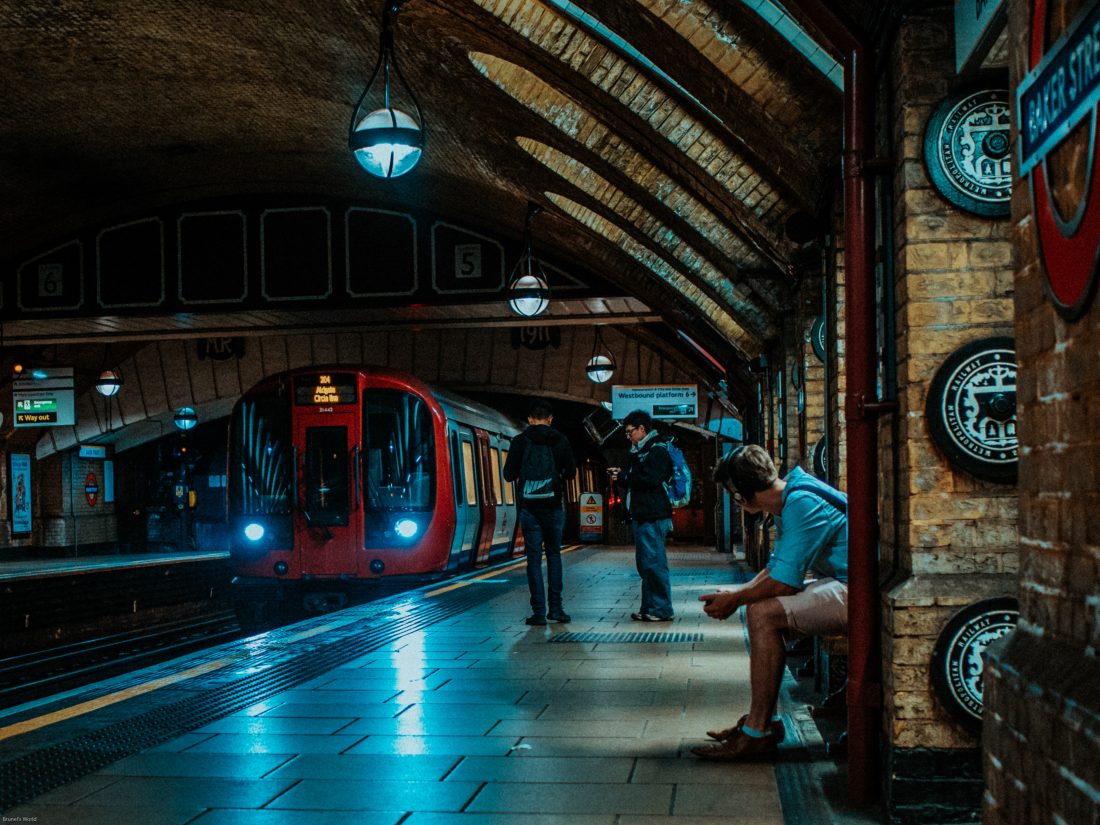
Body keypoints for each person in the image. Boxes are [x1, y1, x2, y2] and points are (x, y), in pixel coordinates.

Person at [693, 443, 848, 761]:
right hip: (844, 581)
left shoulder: (800, 503)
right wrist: (735, 595)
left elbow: (783, 583)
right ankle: (763, 722)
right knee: (758, 607)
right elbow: (776, 569)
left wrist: (735, 599)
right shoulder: (791, 496)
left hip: (858, 589)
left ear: (739, 493)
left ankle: (757, 732)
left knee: (763, 614)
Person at [503, 399, 577, 626]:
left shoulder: (520, 441)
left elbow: (508, 474)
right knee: (554, 555)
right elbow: (572, 473)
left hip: (529, 509)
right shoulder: (560, 440)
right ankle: (556, 609)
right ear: (550, 419)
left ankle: (538, 612)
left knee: (533, 559)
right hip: (553, 507)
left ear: (530, 419)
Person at [608, 410, 675, 622]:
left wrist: (625, 476)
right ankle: (649, 607)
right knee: (646, 564)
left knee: (654, 564)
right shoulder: (641, 450)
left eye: (630, 432)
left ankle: (661, 609)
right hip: (643, 515)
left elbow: (650, 479)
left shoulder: (657, 450)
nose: (628, 436)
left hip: (652, 516)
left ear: (642, 429)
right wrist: (623, 477)